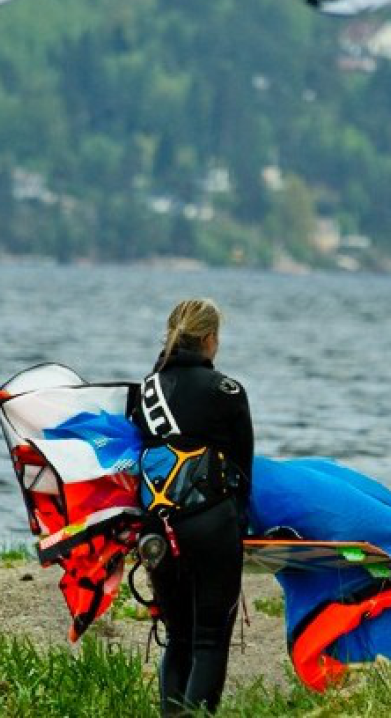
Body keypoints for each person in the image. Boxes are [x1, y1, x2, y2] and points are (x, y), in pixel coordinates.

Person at [128, 298, 254, 717]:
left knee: (177, 635)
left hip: (155, 531)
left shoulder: (144, 390)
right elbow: (242, 470)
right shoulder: (227, 392)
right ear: (210, 339)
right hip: (210, 524)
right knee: (208, 638)